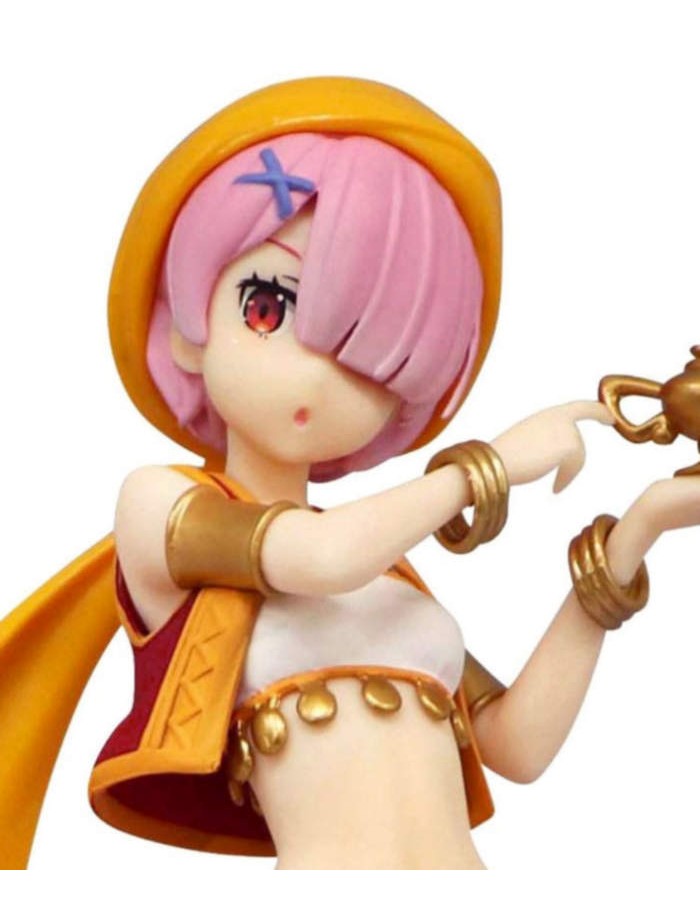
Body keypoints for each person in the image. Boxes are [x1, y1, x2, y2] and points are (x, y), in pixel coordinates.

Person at [1, 77, 698, 870]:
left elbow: (517, 746)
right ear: (186, 326)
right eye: (267, 307)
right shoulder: (160, 504)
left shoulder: (389, 579)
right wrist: (488, 467)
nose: (315, 375)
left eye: (372, 356)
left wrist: (639, 528)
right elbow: (316, 558)